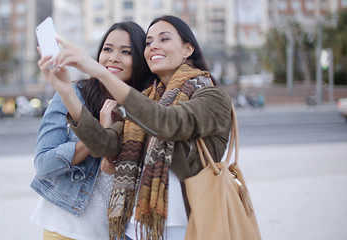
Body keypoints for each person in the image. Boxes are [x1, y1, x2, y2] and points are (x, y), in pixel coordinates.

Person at [48, 15, 232, 240]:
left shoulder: (211, 96)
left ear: (188, 49)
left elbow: (167, 123)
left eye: (164, 39)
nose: (154, 45)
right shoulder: (148, 99)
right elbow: (104, 145)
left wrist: (102, 73)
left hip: (189, 227)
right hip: (135, 229)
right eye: (148, 42)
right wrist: (67, 92)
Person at [31, 21, 153, 240]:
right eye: (107, 49)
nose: (113, 57)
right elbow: (43, 165)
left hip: (120, 232)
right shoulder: (72, 94)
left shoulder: (146, 106)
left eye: (126, 52)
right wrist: (97, 134)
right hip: (67, 228)